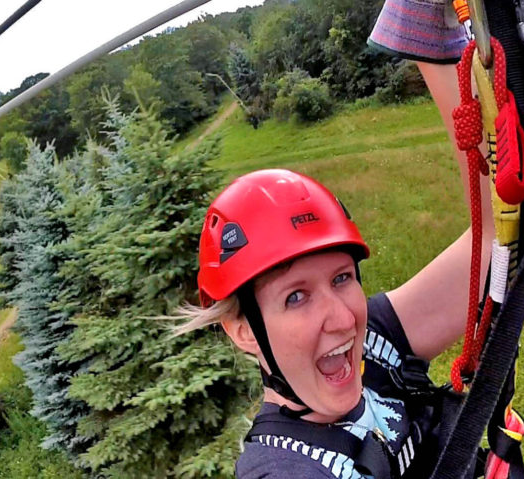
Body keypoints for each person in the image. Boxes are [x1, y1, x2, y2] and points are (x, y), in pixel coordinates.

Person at [174, 2, 496, 478]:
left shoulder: (374, 343)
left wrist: (430, 39)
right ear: (244, 330)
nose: (345, 317)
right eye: (297, 296)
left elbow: (497, 236)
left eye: (342, 277)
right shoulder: (280, 470)